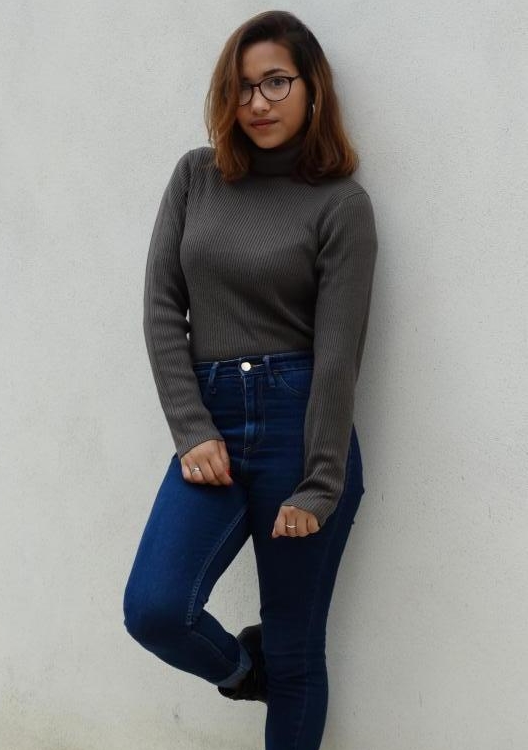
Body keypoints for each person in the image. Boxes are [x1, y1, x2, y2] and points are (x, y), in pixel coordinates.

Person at [122, 9, 378, 750]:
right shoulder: (196, 177)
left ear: (311, 88)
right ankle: (245, 670)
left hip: (301, 428)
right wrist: (191, 428)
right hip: (214, 424)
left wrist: (320, 484)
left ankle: (279, 670)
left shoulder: (340, 204)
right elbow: (162, 307)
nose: (257, 102)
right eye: (242, 88)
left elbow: (338, 355)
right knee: (156, 607)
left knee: (298, 650)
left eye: (275, 83)